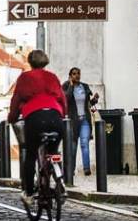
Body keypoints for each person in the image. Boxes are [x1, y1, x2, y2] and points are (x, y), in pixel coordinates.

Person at [7, 50, 67, 207]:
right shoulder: (52, 77)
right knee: (53, 152)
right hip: (55, 118)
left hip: (35, 119)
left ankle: (29, 193)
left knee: (31, 155)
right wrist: (63, 115)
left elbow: (16, 101)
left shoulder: (24, 78)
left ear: (30, 62)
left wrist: (12, 119)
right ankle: (59, 180)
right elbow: (62, 99)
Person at [62, 67, 99, 176]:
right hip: (72, 122)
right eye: (74, 74)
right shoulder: (66, 86)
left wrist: (94, 100)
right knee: (72, 147)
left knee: (84, 144)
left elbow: (88, 104)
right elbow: (65, 99)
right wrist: (71, 86)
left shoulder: (84, 86)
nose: (76, 76)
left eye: (78, 73)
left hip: (84, 121)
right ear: (70, 75)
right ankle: (71, 170)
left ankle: (86, 168)